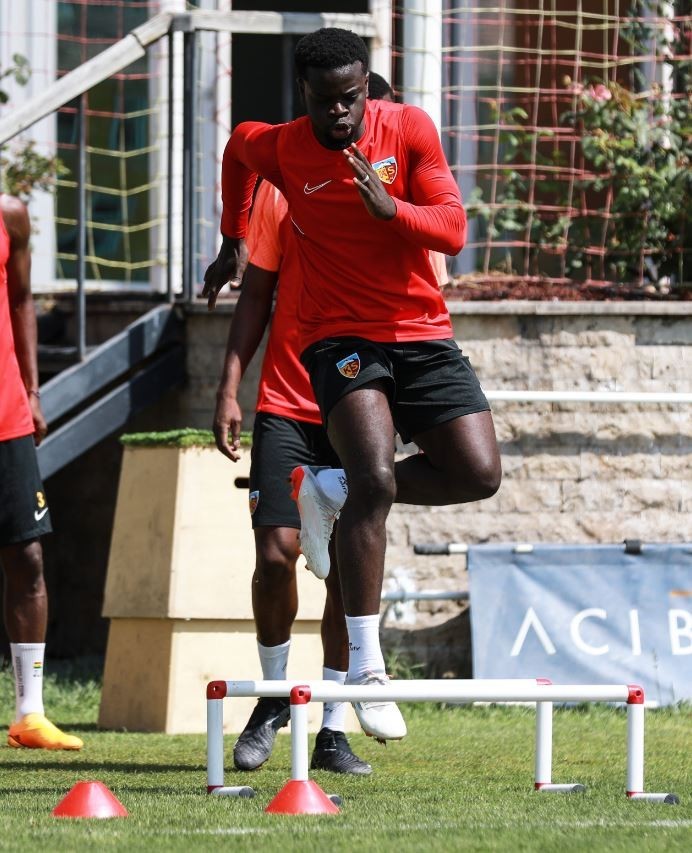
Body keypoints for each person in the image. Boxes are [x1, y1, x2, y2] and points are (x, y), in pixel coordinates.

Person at [203, 28, 501, 743]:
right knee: (374, 478)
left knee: (478, 472)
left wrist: (392, 210)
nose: (340, 113)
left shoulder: (409, 128)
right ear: (303, 94)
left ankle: (327, 488)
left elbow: (454, 229)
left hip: (421, 332)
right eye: (326, 101)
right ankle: (366, 673)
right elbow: (237, 150)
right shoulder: (283, 148)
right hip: (339, 339)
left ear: (367, 87)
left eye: (351, 97)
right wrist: (233, 235)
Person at [207, 75, 420, 776]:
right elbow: (257, 294)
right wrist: (228, 387)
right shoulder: (286, 190)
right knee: (275, 555)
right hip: (286, 401)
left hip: (358, 406)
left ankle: (331, 724)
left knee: (344, 572)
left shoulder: (403, 202)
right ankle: (273, 696)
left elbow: (419, 319)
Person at [0, 193, 83, 751]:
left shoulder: (10, 215)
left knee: (27, 556)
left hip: (6, 412)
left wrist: (31, 391)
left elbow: (22, 299)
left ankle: (29, 714)